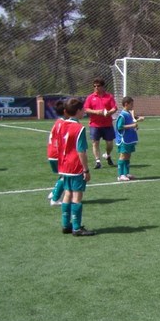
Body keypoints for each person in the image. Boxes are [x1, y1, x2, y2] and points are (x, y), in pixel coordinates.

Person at [56, 98, 95, 236]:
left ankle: (66, 225)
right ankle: (77, 228)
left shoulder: (61, 125)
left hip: (64, 165)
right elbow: (81, 151)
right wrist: (86, 169)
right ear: (78, 111)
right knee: (77, 196)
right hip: (75, 166)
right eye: (82, 109)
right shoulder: (79, 128)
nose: (84, 111)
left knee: (67, 193)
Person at [83, 78, 117, 170]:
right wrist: (96, 112)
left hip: (107, 124)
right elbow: (86, 109)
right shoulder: (90, 97)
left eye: (98, 86)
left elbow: (114, 108)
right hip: (95, 124)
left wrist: (109, 113)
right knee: (95, 143)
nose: (96, 88)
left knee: (110, 144)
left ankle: (107, 154)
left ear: (103, 86)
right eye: (94, 86)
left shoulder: (109, 96)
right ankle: (98, 161)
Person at [114, 96, 144, 181]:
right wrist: (132, 125)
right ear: (126, 104)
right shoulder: (122, 115)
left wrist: (134, 128)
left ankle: (126, 173)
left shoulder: (129, 114)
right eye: (131, 104)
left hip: (129, 139)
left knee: (128, 155)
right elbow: (119, 127)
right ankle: (120, 175)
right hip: (124, 139)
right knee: (123, 155)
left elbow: (131, 124)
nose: (133, 106)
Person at [46, 100, 66, 206]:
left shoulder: (58, 121)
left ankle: (54, 192)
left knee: (63, 174)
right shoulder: (63, 123)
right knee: (66, 176)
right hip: (58, 154)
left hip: (52, 153)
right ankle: (55, 199)